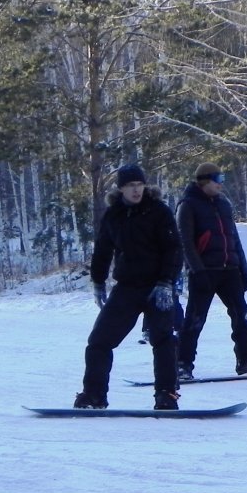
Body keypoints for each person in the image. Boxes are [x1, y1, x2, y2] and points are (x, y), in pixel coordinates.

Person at [74, 164, 182, 410]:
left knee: (163, 339)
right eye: (131, 186)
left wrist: (167, 282)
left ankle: (166, 394)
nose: (136, 190)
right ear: (121, 189)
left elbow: (173, 249)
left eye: (139, 185)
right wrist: (98, 282)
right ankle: (93, 395)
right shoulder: (114, 215)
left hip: (158, 287)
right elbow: (102, 250)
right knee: (99, 341)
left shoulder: (159, 211)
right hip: (127, 287)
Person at [176, 162, 247, 380]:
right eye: (218, 180)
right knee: (195, 320)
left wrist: (243, 269)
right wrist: (198, 271)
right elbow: (185, 242)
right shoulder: (187, 205)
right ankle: (182, 364)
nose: (221, 185)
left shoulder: (223, 204)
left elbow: (233, 238)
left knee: (241, 316)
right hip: (204, 271)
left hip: (229, 270)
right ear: (205, 180)